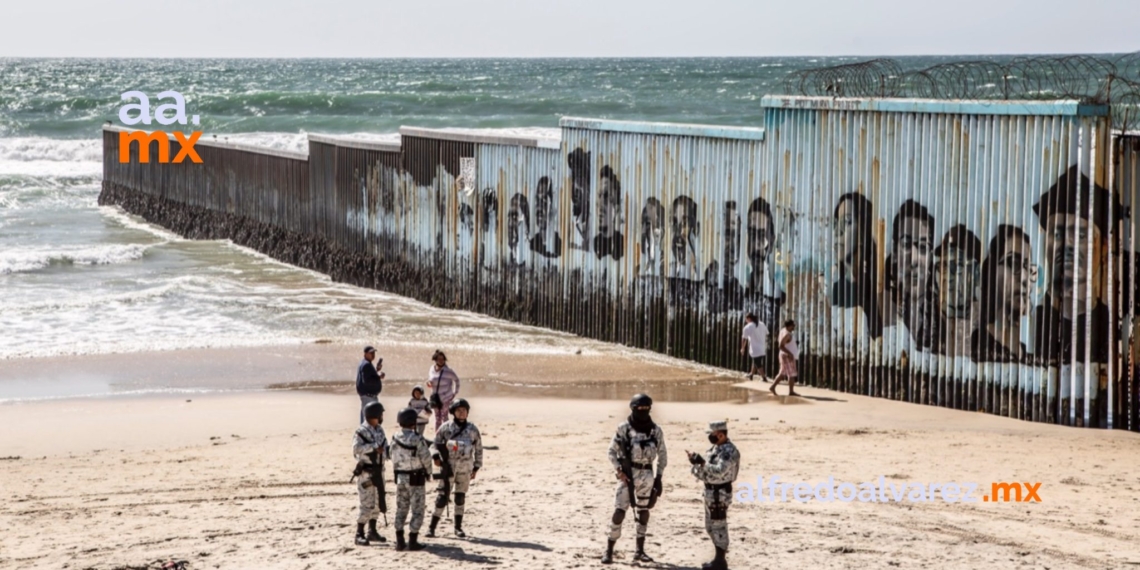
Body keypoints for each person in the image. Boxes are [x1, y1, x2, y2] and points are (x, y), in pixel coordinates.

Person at [602, 394, 667, 565]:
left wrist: (659, 477)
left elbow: (662, 455)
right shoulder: (624, 428)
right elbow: (611, 452)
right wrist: (619, 472)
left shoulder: (655, 430)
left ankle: (640, 550)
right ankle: (609, 549)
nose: (643, 412)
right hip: (628, 476)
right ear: (633, 408)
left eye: (647, 408)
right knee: (619, 512)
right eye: (640, 409)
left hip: (647, 475)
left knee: (643, 512)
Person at [971, 226, 1036, 362]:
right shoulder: (978, 350)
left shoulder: (1029, 359)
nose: (1025, 278)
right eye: (1013, 263)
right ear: (992, 272)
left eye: (1027, 267)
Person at [687, 420, 740, 570]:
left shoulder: (729, 451)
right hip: (710, 491)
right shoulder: (714, 449)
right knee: (710, 527)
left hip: (720, 493)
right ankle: (718, 558)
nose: (710, 437)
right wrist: (695, 463)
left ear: (721, 434)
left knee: (719, 526)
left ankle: (720, 561)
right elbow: (702, 472)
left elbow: (719, 471)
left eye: (712, 434)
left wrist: (702, 463)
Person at [428, 398, 483, 538]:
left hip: (465, 469)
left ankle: (458, 528)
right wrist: (435, 457)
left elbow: (478, 449)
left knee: (460, 497)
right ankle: (432, 527)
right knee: (442, 498)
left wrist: (476, 467)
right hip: (449, 468)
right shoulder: (446, 428)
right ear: (453, 412)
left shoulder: (473, 429)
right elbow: (434, 444)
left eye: (464, 410)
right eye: (459, 410)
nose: (462, 413)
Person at [931, 225, 982, 357]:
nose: (946, 276)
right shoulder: (929, 321)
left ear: (976, 274)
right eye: (942, 266)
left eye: (956, 266)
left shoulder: (984, 326)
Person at [391, 407, 433, 552]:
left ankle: (399, 541)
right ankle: (413, 540)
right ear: (413, 422)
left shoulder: (395, 437)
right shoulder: (417, 439)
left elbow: (391, 455)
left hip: (400, 478)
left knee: (401, 508)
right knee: (417, 510)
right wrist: (429, 472)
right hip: (416, 479)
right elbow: (426, 458)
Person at [352, 401, 389, 546]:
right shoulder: (361, 432)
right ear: (375, 415)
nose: (382, 417)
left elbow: (385, 447)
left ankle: (372, 531)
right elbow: (356, 449)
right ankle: (359, 533)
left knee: (378, 502)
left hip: (379, 470)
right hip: (366, 472)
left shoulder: (380, 430)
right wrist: (373, 448)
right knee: (366, 503)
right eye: (381, 414)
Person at [426, 350, 460, 431]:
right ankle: (438, 435)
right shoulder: (432, 368)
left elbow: (457, 380)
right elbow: (430, 379)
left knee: (444, 417)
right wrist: (428, 382)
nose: (441, 361)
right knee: (437, 418)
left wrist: (455, 392)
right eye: (439, 359)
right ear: (435, 360)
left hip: (446, 398)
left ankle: (447, 434)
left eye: (442, 359)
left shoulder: (448, 370)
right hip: (435, 398)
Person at [771, 320, 800, 397]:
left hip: (784, 355)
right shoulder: (787, 334)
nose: (794, 327)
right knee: (792, 374)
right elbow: (781, 346)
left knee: (782, 373)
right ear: (789, 326)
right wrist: (790, 353)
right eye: (793, 325)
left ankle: (772, 387)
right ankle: (791, 391)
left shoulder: (783, 331)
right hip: (787, 356)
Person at [356, 346, 385, 423]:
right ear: (365, 354)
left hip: (367, 396)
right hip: (368, 396)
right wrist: (378, 375)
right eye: (371, 353)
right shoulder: (366, 365)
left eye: (374, 353)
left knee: (366, 418)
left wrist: (376, 371)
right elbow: (367, 381)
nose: (373, 355)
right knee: (369, 419)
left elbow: (368, 377)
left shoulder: (365, 363)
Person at [739, 313, 769, 381]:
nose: (746, 321)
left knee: (757, 363)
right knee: (755, 361)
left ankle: (764, 377)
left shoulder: (747, 327)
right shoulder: (762, 324)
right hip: (762, 347)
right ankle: (751, 374)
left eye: (746, 319)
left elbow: (744, 339)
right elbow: (767, 334)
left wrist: (742, 348)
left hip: (755, 348)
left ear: (749, 319)